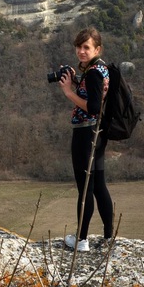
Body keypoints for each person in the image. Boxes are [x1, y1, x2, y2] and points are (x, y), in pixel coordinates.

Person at [58, 26, 114, 252]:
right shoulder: (101, 69)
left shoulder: (93, 73)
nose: (81, 51)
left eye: (86, 47)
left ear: (97, 48)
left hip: (85, 134)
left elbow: (93, 107)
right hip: (98, 134)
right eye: (79, 47)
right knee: (99, 185)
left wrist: (68, 91)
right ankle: (109, 235)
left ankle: (81, 240)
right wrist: (76, 78)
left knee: (85, 188)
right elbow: (95, 93)